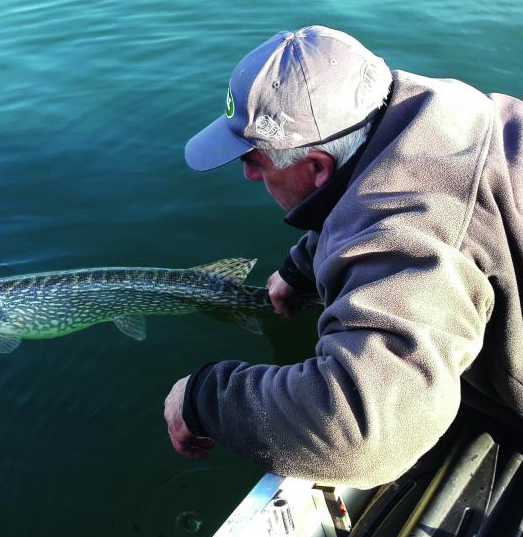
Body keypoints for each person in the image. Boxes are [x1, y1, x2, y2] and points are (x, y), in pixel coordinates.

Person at [163, 25, 523, 488]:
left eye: (252, 159)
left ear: (316, 166)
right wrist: (303, 266)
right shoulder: (445, 110)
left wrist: (200, 397)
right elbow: (389, 196)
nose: (250, 175)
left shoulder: (414, 230)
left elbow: (359, 435)